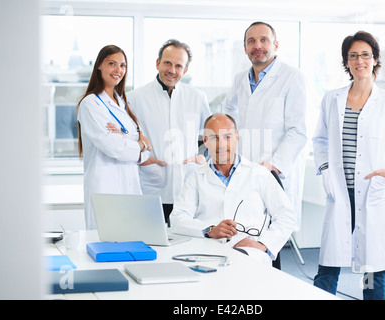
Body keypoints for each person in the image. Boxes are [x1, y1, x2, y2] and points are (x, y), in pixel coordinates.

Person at [312, 31, 385, 300]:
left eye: (365, 55)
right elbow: (320, 140)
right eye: (353, 55)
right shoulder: (331, 99)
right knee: (328, 268)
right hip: (340, 193)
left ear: (375, 59)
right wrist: (324, 169)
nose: (360, 60)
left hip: (373, 194)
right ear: (346, 62)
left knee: (372, 272)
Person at [170, 113, 297, 265]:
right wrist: (209, 230)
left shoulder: (259, 174)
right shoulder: (196, 177)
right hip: (207, 253)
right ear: (205, 141)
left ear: (237, 137)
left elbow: (286, 216)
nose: (221, 144)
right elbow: (177, 219)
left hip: (250, 255)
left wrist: (264, 245)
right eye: (214, 137)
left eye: (227, 137)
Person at [222, 21, 307, 229]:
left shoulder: (292, 77)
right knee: (245, 231)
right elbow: (227, 112)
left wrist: (275, 165)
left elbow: (298, 130)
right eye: (251, 41)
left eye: (263, 40)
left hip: (274, 170)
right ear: (245, 48)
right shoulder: (240, 79)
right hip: (245, 167)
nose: (257, 46)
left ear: (275, 45)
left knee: (272, 236)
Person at [127, 39, 211, 225]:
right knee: (151, 242)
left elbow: (211, 135)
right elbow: (127, 139)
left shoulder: (197, 97)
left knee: (187, 243)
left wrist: (202, 157)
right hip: (151, 183)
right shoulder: (135, 98)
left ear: (185, 70)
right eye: (167, 63)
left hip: (187, 183)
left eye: (178, 66)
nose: (172, 70)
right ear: (157, 63)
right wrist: (142, 159)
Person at [76, 45, 152, 230]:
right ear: (99, 65)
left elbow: (148, 151)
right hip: (105, 188)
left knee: (133, 244)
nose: (118, 70)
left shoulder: (125, 104)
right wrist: (139, 144)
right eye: (112, 63)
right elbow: (114, 148)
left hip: (131, 188)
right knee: (107, 246)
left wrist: (135, 144)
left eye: (123, 65)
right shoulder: (91, 104)